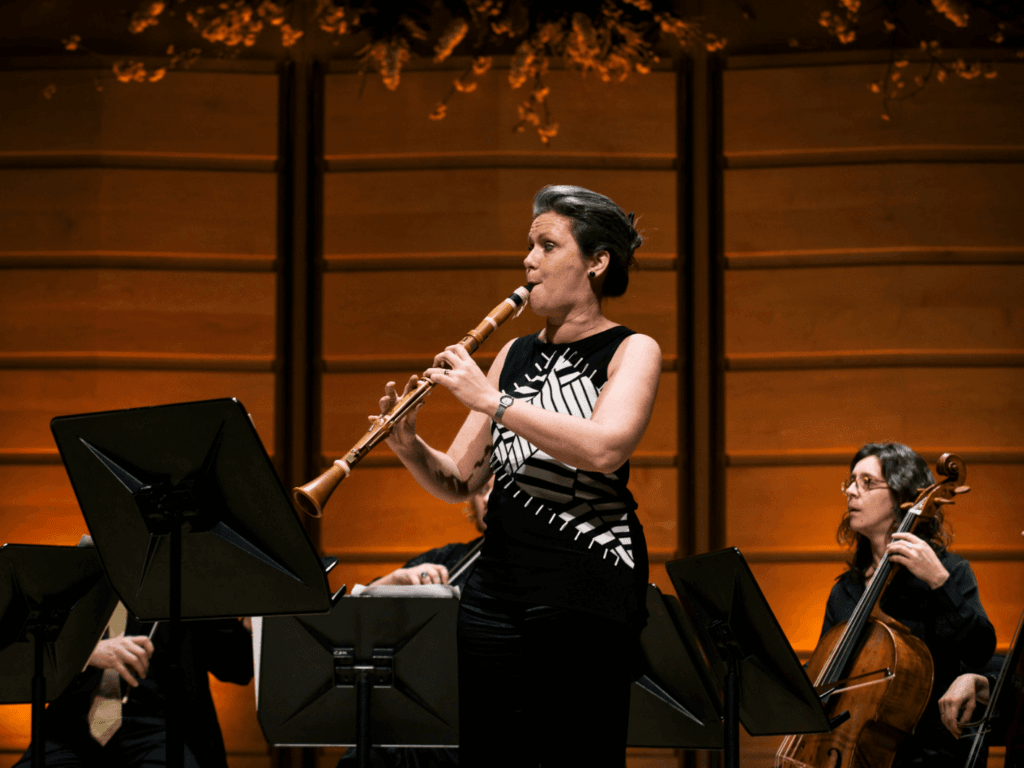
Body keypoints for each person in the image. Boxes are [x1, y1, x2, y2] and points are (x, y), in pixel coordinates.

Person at [377, 184, 661, 767]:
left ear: (597, 262)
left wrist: (492, 401)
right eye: (529, 246)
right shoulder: (512, 355)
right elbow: (459, 479)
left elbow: (605, 449)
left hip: (587, 589)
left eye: (547, 246)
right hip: (497, 591)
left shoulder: (631, 350)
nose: (528, 261)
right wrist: (408, 446)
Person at [817, 442, 996, 767]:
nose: (852, 492)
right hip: (853, 750)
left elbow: (980, 650)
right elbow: (823, 673)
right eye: (851, 481)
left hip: (930, 751)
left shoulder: (949, 571)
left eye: (867, 482)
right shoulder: (846, 590)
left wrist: (939, 582)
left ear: (902, 494)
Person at [15, 608, 253, 768]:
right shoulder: (71, 568)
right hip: (71, 724)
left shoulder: (188, 571)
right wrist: (87, 652)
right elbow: (22, 652)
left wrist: (254, 624)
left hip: (159, 726)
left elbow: (237, 666)